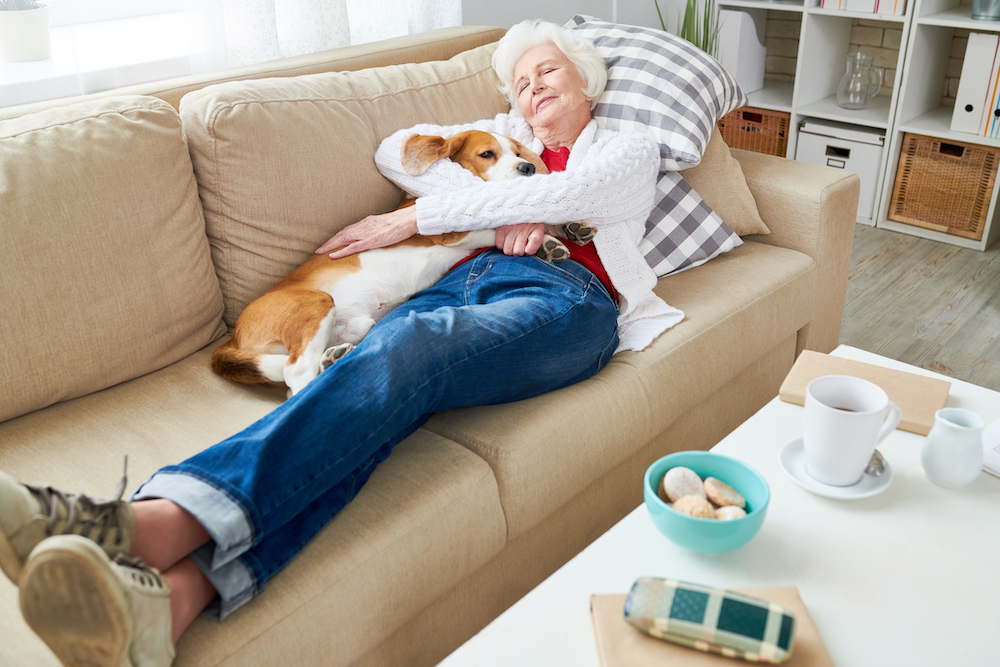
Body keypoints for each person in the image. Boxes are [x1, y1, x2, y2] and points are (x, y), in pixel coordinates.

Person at [0, 19, 683, 667]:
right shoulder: (505, 140)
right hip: (463, 276)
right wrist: (510, 190)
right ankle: (168, 606)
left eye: (548, 71)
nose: (532, 88)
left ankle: (141, 523)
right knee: (369, 395)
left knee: (409, 343)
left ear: (587, 82)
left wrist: (476, 206)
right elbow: (401, 149)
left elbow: (581, 190)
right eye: (521, 81)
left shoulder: (626, 146)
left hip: (568, 299)